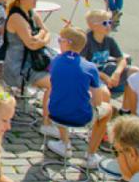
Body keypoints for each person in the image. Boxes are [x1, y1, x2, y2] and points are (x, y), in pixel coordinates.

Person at [45, 26, 113, 169]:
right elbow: (97, 101)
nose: (58, 43)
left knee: (60, 96)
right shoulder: (90, 67)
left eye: (60, 40)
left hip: (55, 113)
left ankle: (65, 143)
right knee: (108, 110)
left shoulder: (55, 61)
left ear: (67, 43)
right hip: (81, 118)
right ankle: (90, 154)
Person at [3, 0, 53, 121]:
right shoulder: (17, 18)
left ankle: (54, 117)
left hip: (37, 60)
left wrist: (40, 38)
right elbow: (31, 45)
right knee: (54, 84)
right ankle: (47, 123)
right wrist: (42, 38)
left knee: (64, 74)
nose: (36, 0)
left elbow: (47, 32)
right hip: (20, 66)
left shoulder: (32, 13)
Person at [80, 9, 135, 96]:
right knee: (105, 93)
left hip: (105, 70)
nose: (109, 26)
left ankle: (126, 108)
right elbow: (84, 65)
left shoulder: (109, 40)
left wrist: (117, 73)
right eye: (105, 23)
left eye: (110, 22)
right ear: (92, 26)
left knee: (134, 72)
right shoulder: (86, 41)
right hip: (92, 74)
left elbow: (121, 59)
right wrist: (105, 77)